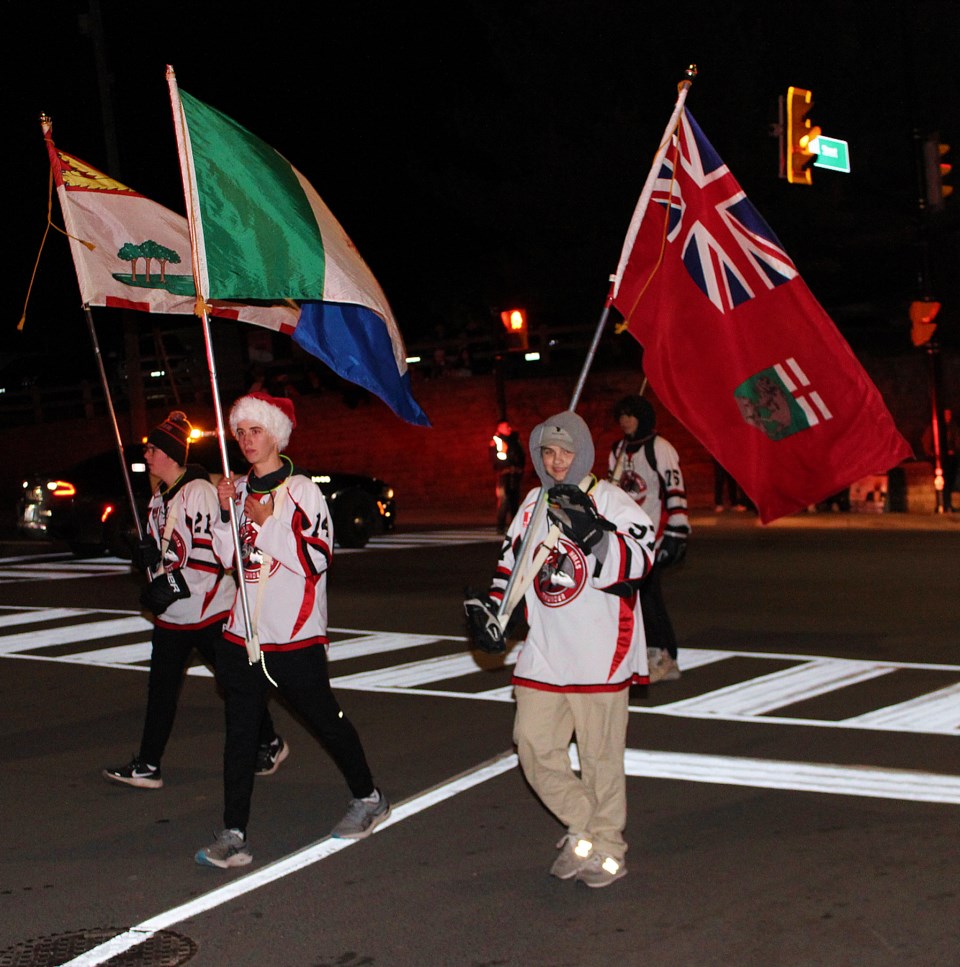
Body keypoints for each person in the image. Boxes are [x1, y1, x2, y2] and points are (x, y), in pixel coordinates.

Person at [198, 392, 389, 869]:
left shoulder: (303, 491)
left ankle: (368, 797)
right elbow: (228, 560)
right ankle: (233, 832)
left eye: (255, 430)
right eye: (240, 431)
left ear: (276, 434)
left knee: (326, 721)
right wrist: (227, 515)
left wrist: (266, 525)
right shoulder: (239, 490)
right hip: (243, 637)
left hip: (295, 637)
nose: (245, 440)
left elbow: (317, 559)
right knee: (240, 735)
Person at [466, 411, 657, 888]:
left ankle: (607, 846)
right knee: (532, 744)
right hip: (546, 649)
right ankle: (587, 824)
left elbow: (643, 560)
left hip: (600, 650)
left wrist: (594, 533)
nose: (555, 461)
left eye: (565, 452)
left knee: (599, 759)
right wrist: (494, 616)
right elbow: (510, 567)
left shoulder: (612, 499)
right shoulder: (533, 501)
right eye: (547, 452)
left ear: (585, 454)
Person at [103, 411, 288, 791]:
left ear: (170, 454)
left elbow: (209, 558)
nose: (147, 456)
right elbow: (172, 552)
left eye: (152, 450)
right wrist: (147, 557)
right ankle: (148, 764)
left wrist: (167, 583)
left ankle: (269, 741)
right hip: (174, 617)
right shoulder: (159, 498)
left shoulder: (198, 492)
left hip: (209, 612)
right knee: (161, 690)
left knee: (234, 683)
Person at [608, 395, 690, 683]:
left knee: (650, 598)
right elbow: (612, 491)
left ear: (643, 417)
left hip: (652, 537)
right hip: (625, 538)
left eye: (631, 415)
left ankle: (665, 656)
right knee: (634, 600)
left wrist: (677, 530)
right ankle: (649, 653)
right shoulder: (618, 450)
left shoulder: (660, 448)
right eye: (622, 416)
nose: (625, 421)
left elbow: (674, 488)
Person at [490, 420, 526, 533]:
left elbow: (521, 454)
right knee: (504, 500)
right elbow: (495, 458)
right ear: (499, 428)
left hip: (515, 474)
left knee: (515, 500)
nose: (509, 428)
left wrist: (519, 467)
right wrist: (506, 464)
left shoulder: (515, 440)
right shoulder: (497, 441)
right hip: (504, 475)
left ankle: (515, 527)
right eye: (506, 427)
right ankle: (500, 526)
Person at [922, 408, 960, 511]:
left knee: (949, 482)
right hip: (940, 459)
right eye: (946, 414)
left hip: (950, 459)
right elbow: (927, 439)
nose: (948, 416)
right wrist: (930, 453)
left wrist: (954, 451)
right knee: (940, 482)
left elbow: (957, 440)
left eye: (949, 414)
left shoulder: (953, 427)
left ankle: (948, 504)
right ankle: (940, 503)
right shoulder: (936, 427)